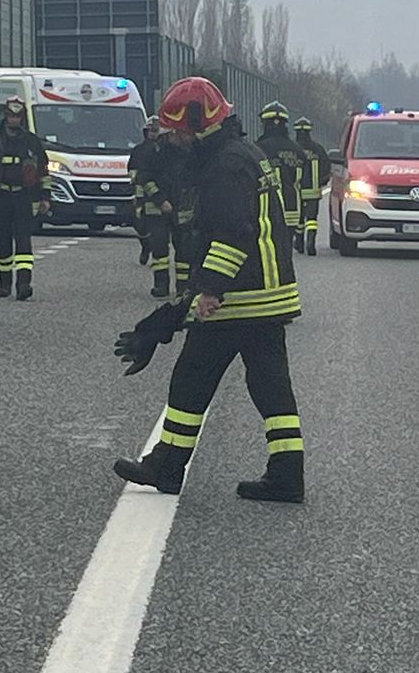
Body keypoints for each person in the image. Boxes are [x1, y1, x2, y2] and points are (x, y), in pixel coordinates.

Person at [114, 77, 306, 504]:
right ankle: (287, 474)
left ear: (198, 123)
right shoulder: (244, 154)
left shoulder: (224, 166)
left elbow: (234, 235)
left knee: (191, 377)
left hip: (241, 296)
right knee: (271, 385)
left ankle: (166, 465)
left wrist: (209, 291)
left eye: (179, 131)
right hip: (269, 294)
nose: (174, 140)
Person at [0, 98, 50, 299]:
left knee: (23, 242)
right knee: (2, 240)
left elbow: (43, 172)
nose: (14, 120)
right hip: (0, 197)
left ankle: (24, 284)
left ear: (22, 118)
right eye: (11, 116)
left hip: (23, 197)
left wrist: (46, 197)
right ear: (5, 116)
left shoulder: (31, 142)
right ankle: (5, 284)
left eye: (17, 116)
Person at [128, 116, 185, 299]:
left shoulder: (186, 152)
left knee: (184, 250)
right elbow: (144, 178)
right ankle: (161, 286)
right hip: (156, 208)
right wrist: (160, 200)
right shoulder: (150, 153)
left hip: (181, 208)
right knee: (160, 250)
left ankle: (184, 288)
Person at [256, 102, 305, 254]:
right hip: (292, 210)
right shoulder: (297, 150)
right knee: (285, 252)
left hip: (267, 212)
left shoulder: (258, 149)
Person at [294, 118, 331, 255]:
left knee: (298, 219)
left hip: (296, 191)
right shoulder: (318, 149)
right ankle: (311, 242)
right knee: (311, 219)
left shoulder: (292, 149)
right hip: (313, 192)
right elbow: (326, 168)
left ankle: (299, 242)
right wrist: (322, 182)